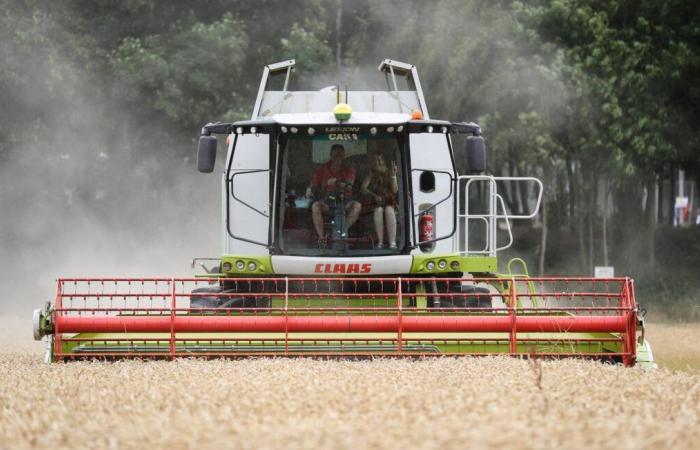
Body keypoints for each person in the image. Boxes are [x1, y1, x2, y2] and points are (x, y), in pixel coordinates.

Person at [306, 143, 361, 246]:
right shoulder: (322, 168)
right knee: (315, 206)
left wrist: (336, 182)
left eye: (340, 155)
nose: (338, 158)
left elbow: (349, 186)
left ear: (344, 155)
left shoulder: (349, 169)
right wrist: (309, 190)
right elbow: (313, 184)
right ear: (331, 155)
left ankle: (341, 231)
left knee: (357, 206)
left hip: (345, 201)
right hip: (327, 201)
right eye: (336, 155)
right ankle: (322, 239)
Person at [361, 152, 398, 249]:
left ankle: (392, 242)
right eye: (375, 161)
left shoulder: (390, 172)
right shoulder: (371, 173)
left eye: (379, 160)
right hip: (376, 202)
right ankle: (380, 242)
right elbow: (363, 188)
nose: (377, 162)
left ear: (384, 161)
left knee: (389, 210)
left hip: (389, 201)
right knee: (378, 211)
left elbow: (395, 190)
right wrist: (373, 195)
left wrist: (394, 176)